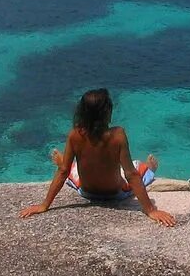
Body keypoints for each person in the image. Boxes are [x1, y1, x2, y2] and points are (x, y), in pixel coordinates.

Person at [18, 88, 176, 227]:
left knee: (67, 169)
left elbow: (62, 172)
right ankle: (150, 169)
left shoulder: (75, 134)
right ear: (107, 112)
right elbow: (131, 174)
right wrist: (150, 210)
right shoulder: (118, 135)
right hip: (115, 193)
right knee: (138, 168)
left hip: (86, 192)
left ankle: (65, 161)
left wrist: (44, 205)